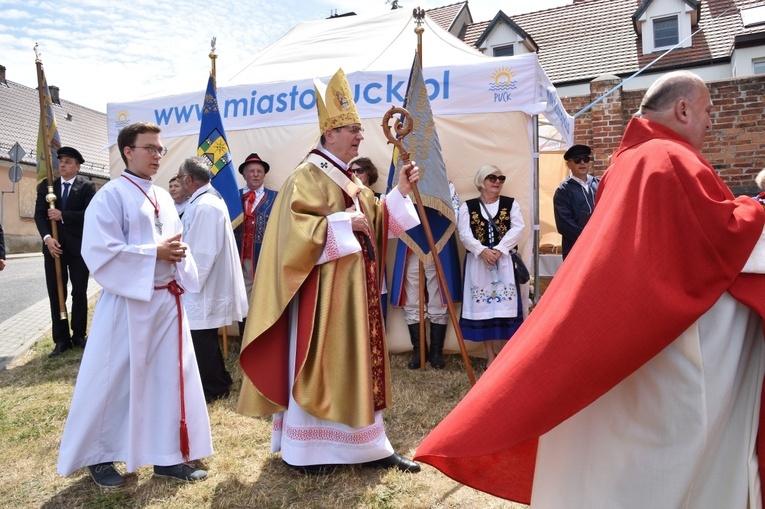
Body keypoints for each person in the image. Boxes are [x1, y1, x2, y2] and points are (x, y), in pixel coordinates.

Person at [414, 71, 765, 509]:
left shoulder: (626, 161)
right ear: (683, 109)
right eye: (709, 112)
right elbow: (718, 233)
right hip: (674, 326)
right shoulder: (669, 157)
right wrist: (755, 207)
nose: (711, 123)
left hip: (632, 307)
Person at [237, 68, 422, 474]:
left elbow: (372, 219)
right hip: (321, 297)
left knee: (356, 363)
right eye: (353, 129)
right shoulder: (306, 176)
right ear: (330, 134)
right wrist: (340, 224)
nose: (359, 136)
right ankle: (307, 452)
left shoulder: (350, 179)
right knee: (323, 363)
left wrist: (400, 194)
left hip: (356, 293)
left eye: (359, 129)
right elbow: (291, 235)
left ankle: (370, 447)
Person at [57, 122, 212, 489]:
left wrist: (176, 257)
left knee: (166, 379)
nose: (158, 155)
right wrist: (153, 253)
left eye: (160, 149)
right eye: (150, 148)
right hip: (127, 304)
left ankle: (167, 456)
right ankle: (99, 455)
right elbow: (98, 252)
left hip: (164, 302)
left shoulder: (163, 197)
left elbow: (174, 242)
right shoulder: (109, 196)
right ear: (128, 151)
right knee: (111, 381)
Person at [177, 156, 248, 403]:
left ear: (188, 179)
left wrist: (189, 282)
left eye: (179, 178)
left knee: (201, 338)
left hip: (201, 284)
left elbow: (203, 252)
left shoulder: (205, 205)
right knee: (202, 337)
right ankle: (218, 381)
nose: (178, 183)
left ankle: (215, 387)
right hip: (201, 282)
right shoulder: (204, 201)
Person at [457, 165, 525, 368]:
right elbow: (464, 233)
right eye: (492, 178)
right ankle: (490, 355)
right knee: (484, 309)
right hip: (478, 264)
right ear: (481, 181)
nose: (497, 182)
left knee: (505, 309)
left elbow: (518, 228)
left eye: (501, 178)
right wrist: (481, 251)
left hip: (503, 262)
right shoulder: (467, 207)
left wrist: (500, 250)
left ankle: (505, 354)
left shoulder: (510, 204)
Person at [390, 181, 462, 370]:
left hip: (438, 244)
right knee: (412, 295)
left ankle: (436, 352)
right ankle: (418, 350)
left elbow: (454, 213)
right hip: (410, 243)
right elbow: (393, 209)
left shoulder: (445, 185)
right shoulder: (403, 183)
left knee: (439, 294)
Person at [34, 146, 96, 357]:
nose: (63, 165)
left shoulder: (87, 187)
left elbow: (89, 214)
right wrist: (47, 238)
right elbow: (40, 216)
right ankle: (61, 339)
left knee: (79, 291)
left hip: (78, 249)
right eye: (61, 161)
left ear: (77, 166)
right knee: (56, 292)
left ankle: (78, 334)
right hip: (54, 249)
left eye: (68, 162)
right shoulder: (47, 186)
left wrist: (62, 215)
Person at [233, 152, 277, 334]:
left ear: (264, 175)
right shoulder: (233, 197)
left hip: (263, 257)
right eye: (251, 171)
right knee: (241, 297)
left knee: (264, 297)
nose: (256, 174)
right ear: (244, 175)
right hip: (237, 256)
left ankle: (262, 337)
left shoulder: (276, 197)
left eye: (259, 171)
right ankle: (244, 336)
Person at [553, 144, 599, 259]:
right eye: (577, 160)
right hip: (576, 248)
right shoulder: (563, 190)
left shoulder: (598, 184)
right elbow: (564, 224)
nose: (582, 163)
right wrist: (588, 237)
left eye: (586, 159)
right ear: (568, 164)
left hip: (599, 245)